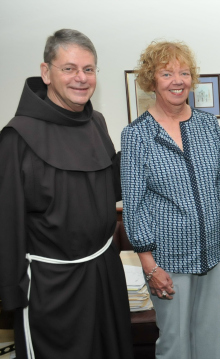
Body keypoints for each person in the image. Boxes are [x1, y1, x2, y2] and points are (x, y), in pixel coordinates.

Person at [0, 29, 133, 359]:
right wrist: (11, 292)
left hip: (103, 271)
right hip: (51, 284)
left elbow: (106, 192)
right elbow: (7, 222)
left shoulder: (97, 123)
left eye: (89, 69)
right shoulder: (17, 138)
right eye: (69, 68)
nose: (81, 78)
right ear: (46, 72)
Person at [121, 40, 220, 359]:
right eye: (167, 73)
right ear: (151, 80)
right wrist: (149, 264)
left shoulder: (208, 125)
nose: (178, 80)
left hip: (213, 249)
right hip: (167, 258)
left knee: (209, 336)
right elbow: (134, 204)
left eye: (184, 72)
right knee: (175, 343)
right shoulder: (136, 135)